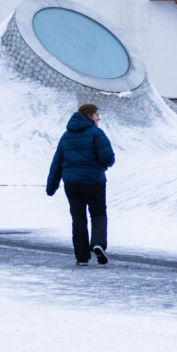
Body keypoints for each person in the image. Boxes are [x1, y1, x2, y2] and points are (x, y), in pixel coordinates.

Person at [46, 103, 116, 266]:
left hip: (71, 183)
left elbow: (57, 162)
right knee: (98, 214)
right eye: (97, 115)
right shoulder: (96, 133)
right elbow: (108, 158)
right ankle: (98, 244)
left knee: (78, 218)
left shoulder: (66, 135)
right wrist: (102, 164)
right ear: (90, 116)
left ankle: (82, 257)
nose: (99, 118)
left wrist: (51, 186)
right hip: (94, 182)